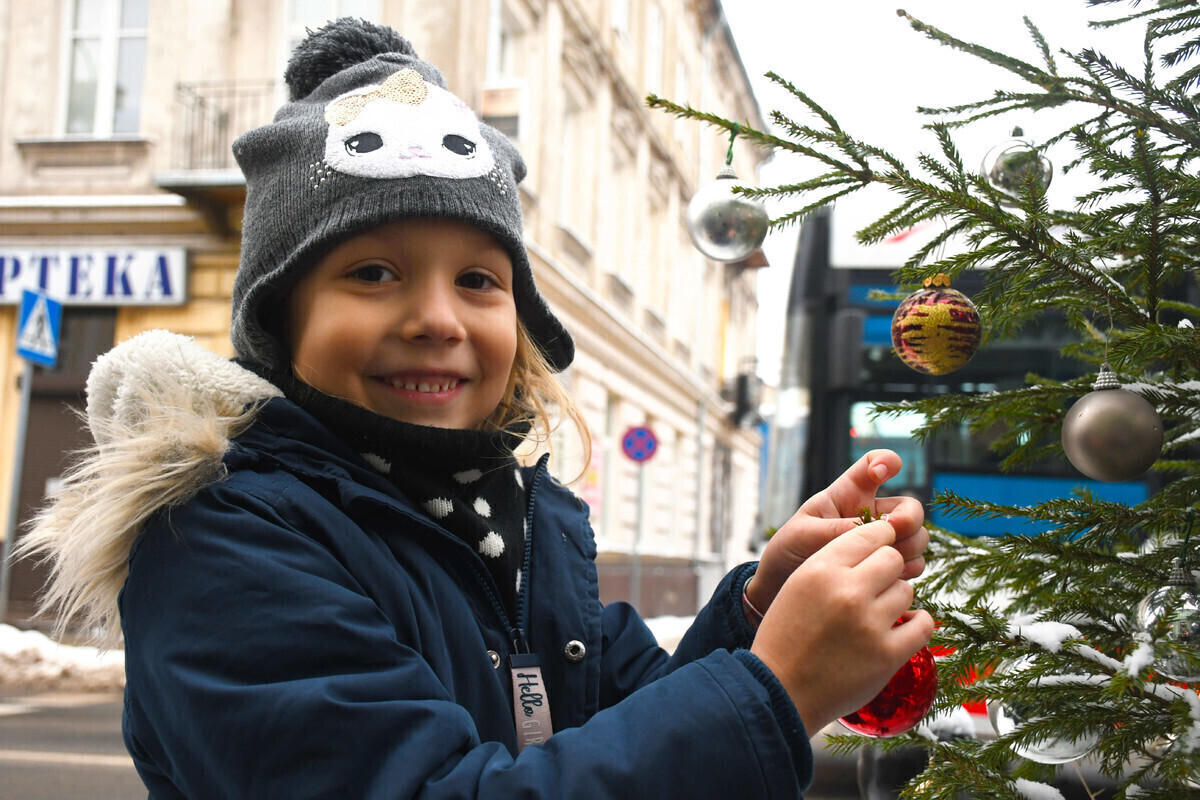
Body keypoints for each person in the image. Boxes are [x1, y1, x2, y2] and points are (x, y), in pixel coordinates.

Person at [20, 18, 933, 799]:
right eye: (372, 272)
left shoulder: (515, 531)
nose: (438, 319)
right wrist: (778, 687)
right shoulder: (224, 543)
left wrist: (761, 611)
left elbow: (620, 733)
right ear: (280, 319)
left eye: (478, 281)